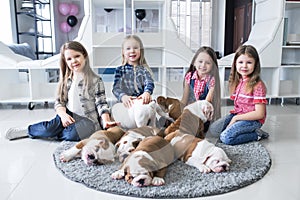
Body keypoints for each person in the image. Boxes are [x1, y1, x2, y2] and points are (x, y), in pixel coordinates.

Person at [6, 41, 117, 141]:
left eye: (77, 56)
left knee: (74, 134)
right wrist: (63, 115)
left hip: (87, 120)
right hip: (68, 114)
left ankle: (55, 134)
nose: (74, 61)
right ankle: (28, 130)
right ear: (65, 62)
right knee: (48, 128)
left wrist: (105, 120)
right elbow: (60, 101)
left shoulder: (95, 80)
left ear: (85, 56)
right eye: (69, 59)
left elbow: (101, 103)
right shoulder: (66, 80)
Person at [209, 45, 269, 145]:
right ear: (235, 64)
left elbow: (260, 114)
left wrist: (235, 119)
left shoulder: (258, 85)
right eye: (241, 62)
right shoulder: (238, 81)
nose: (244, 66)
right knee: (213, 130)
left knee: (226, 137)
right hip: (239, 115)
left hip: (253, 120)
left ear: (255, 64)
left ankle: (257, 134)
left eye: (249, 62)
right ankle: (241, 128)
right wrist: (235, 117)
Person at [181, 46, 221, 132]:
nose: (203, 65)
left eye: (208, 63)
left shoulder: (212, 80)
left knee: (207, 128)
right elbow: (184, 99)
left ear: (213, 65)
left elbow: (206, 103)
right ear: (194, 62)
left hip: (203, 114)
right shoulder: (189, 76)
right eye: (200, 61)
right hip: (190, 111)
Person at [112, 34, 154, 107]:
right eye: (128, 48)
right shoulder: (120, 70)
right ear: (123, 52)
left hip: (141, 102)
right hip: (127, 103)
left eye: (135, 48)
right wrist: (123, 96)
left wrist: (147, 92)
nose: (132, 51)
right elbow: (116, 88)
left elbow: (149, 82)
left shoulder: (144, 69)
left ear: (141, 50)